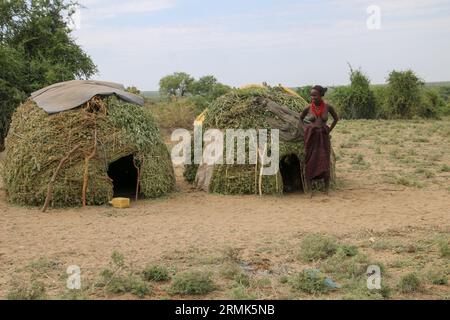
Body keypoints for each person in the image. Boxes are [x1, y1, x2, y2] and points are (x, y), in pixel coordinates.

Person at [300, 85, 339, 196]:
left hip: (323, 137)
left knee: (324, 161)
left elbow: (336, 119)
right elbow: (300, 118)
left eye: (315, 95)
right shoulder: (308, 108)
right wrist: (305, 130)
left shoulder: (328, 107)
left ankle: (326, 189)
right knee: (310, 161)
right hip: (311, 138)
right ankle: (310, 190)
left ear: (321, 95)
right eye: (311, 95)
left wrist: (328, 130)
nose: (313, 97)